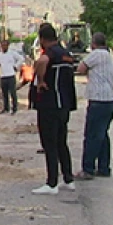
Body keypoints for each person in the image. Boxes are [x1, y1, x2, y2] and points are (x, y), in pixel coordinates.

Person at [31, 24, 78, 194]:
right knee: (61, 143)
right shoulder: (66, 54)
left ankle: (51, 183)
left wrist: (41, 79)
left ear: (43, 39)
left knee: (49, 143)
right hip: (64, 105)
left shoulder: (50, 54)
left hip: (50, 105)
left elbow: (42, 61)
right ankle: (68, 178)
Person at [74, 32, 113, 180]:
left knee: (92, 135)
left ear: (93, 44)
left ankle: (88, 168)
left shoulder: (96, 54)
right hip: (110, 99)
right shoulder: (108, 56)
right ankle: (104, 167)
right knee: (102, 135)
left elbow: (80, 68)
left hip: (98, 100)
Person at [0, 40, 23, 115]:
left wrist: (16, 66)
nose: (3, 47)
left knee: (13, 93)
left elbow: (21, 59)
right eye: (2, 45)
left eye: (5, 45)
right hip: (3, 76)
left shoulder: (12, 53)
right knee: (4, 94)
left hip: (11, 75)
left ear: (8, 46)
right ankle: (6, 108)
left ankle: (14, 108)